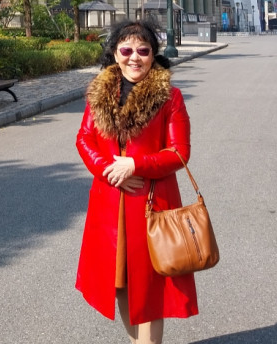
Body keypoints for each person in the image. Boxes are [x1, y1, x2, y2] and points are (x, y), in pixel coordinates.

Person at [76, 20, 198, 344]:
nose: (134, 57)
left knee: (151, 289)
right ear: (115, 54)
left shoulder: (170, 96)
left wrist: (135, 165)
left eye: (143, 50)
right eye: (126, 50)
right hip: (109, 205)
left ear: (153, 54)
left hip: (151, 203)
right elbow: (84, 139)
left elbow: (180, 152)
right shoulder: (100, 92)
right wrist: (108, 170)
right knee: (120, 285)